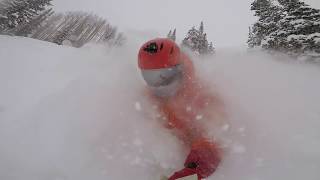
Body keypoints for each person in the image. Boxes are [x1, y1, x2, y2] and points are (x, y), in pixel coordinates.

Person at [138, 38, 223, 180]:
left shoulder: (203, 96)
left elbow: (214, 138)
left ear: (180, 69)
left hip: (190, 161)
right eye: (149, 76)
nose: (158, 84)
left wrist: (193, 169)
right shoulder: (148, 96)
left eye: (165, 75)